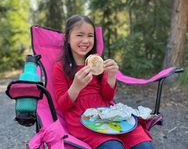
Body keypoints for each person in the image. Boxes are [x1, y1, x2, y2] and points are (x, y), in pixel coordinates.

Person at [53, 15, 155, 149]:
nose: (85, 40)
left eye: (90, 35)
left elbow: (107, 96)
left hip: (107, 112)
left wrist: (111, 76)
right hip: (82, 119)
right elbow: (63, 105)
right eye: (79, 35)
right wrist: (76, 86)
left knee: (144, 145)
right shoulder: (60, 67)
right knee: (113, 147)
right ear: (67, 38)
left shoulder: (97, 62)